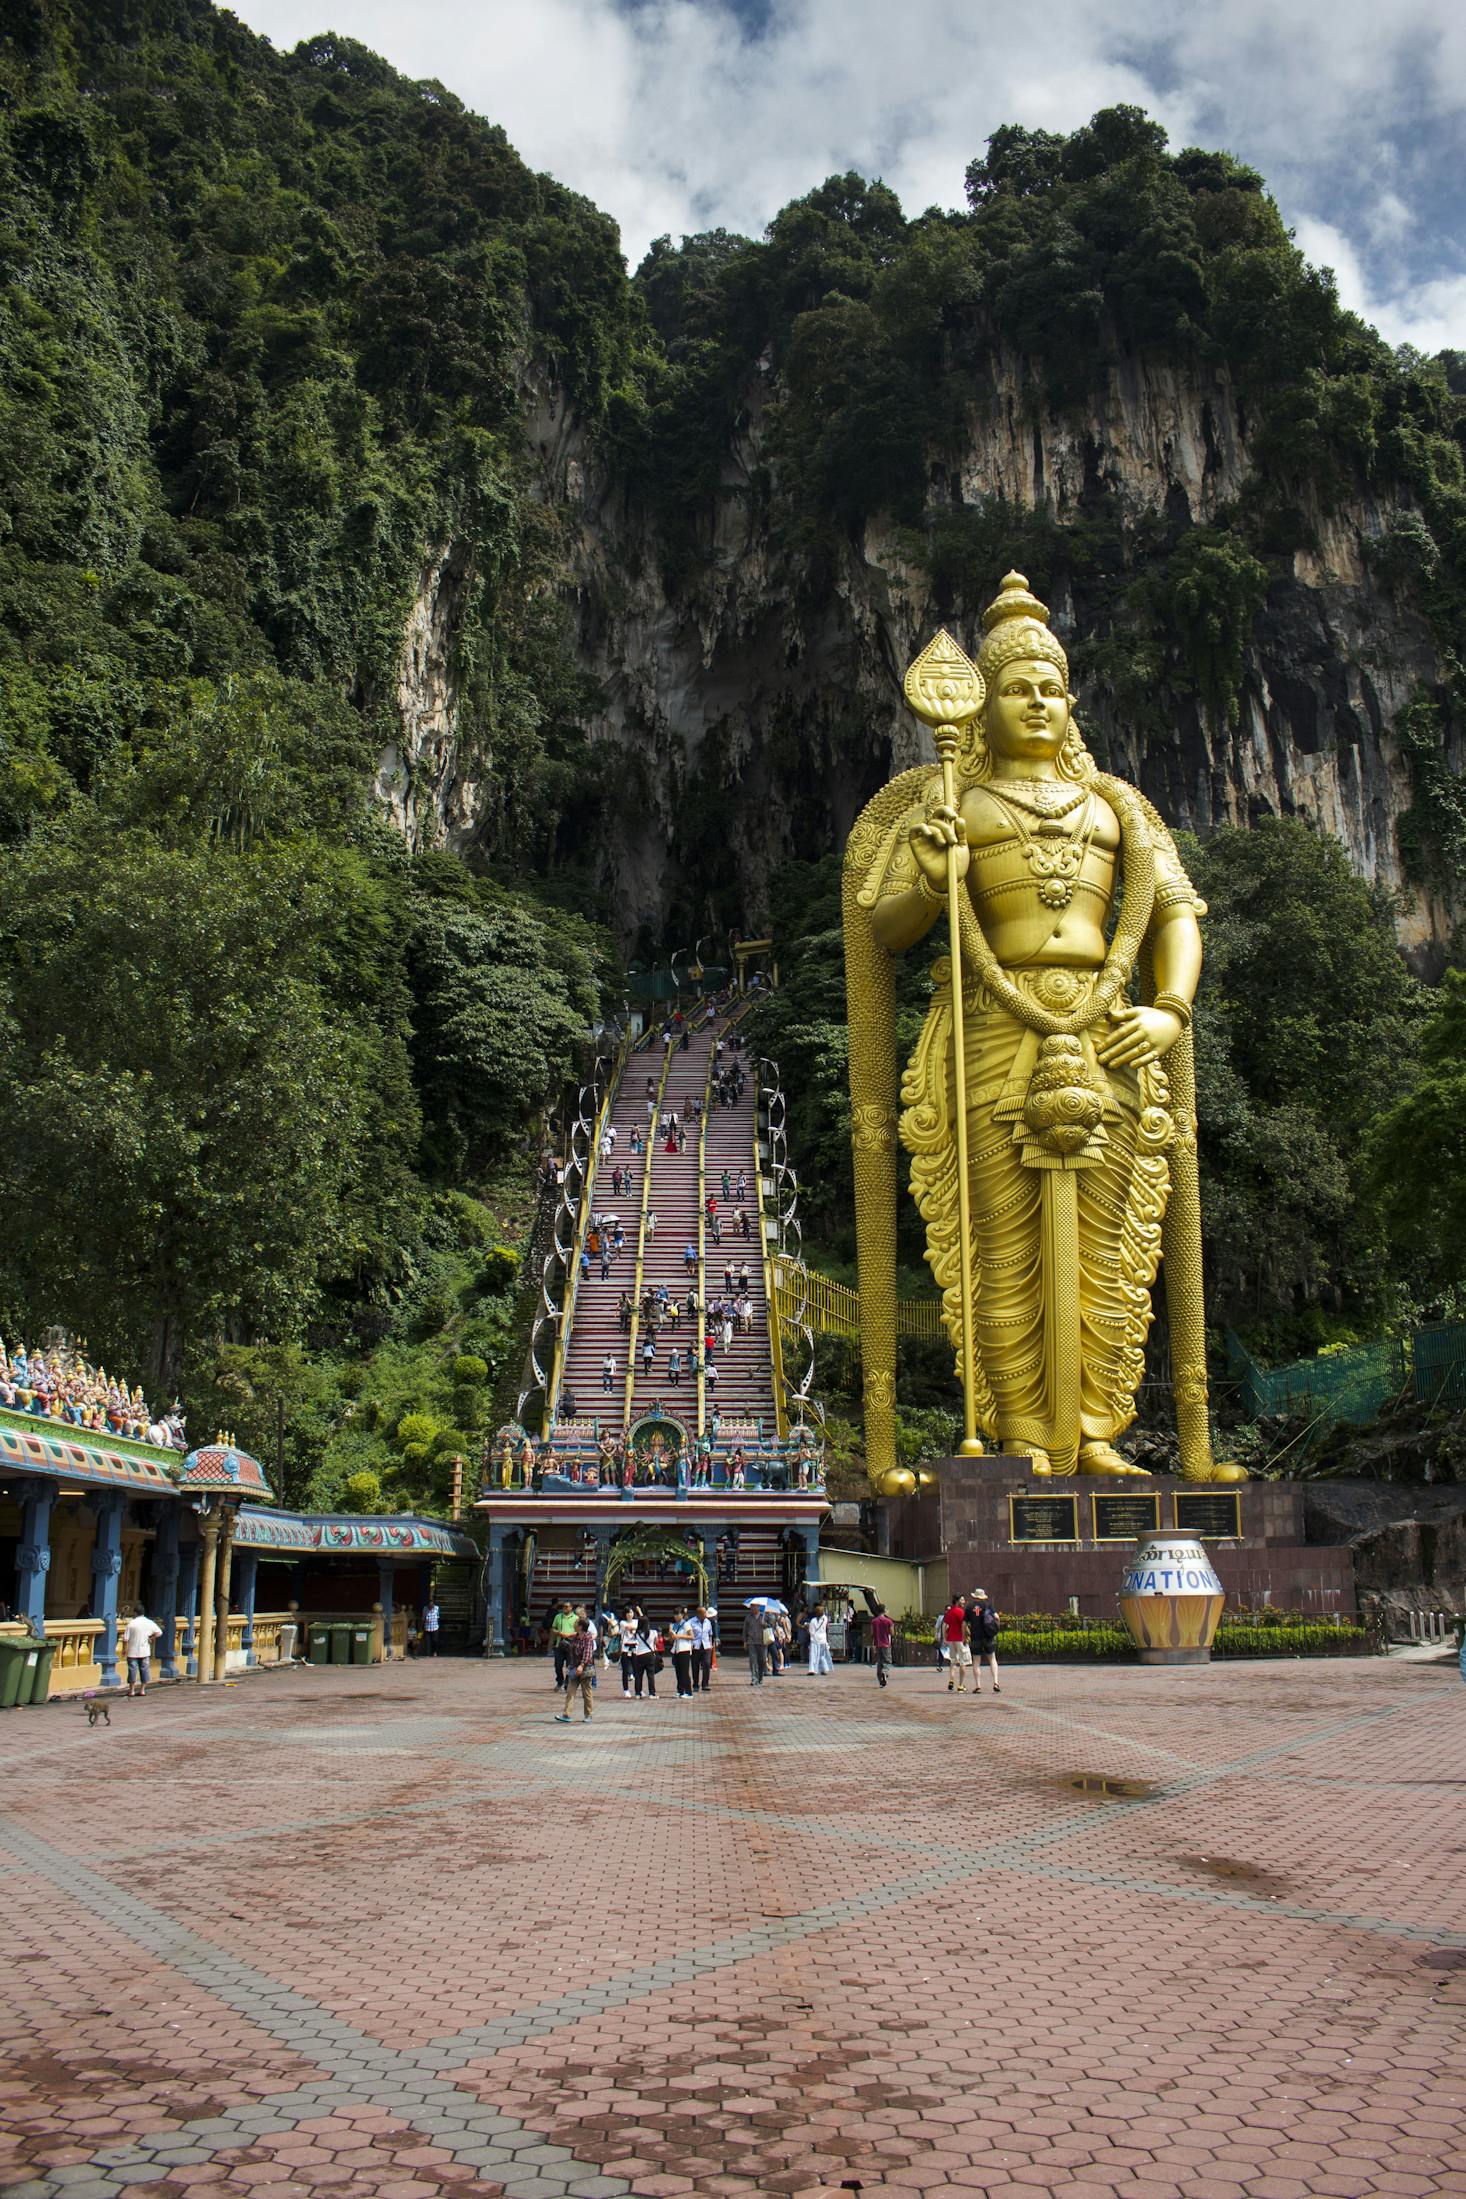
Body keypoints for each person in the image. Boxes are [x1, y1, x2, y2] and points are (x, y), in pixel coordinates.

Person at [555, 1617, 596, 1724]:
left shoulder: (588, 1638)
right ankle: (566, 1714)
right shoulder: (576, 1637)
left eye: (576, 1623)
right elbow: (572, 1654)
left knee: (587, 1693)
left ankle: (588, 1715)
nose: (574, 1624)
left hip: (585, 1669)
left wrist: (582, 1665)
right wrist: (571, 1668)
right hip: (574, 1668)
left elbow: (588, 1653)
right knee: (570, 1691)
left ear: (581, 1626)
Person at [122, 1608, 163, 1698]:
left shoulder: (132, 1623)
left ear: (135, 1613)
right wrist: (151, 1638)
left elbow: (125, 1639)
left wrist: (124, 1649)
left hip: (132, 1651)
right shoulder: (149, 1622)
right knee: (144, 1670)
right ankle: (142, 1690)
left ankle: (132, 1690)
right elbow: (159, 1632)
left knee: (132, 1670)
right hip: (145, 1651)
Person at [969, 1588, 1002, 1693]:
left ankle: (978, 1685)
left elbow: (964, 1623)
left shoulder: (969, 1607)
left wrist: (965, 1634)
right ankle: (996, 1682)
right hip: (988, 1636)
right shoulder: (988, 1605)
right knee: (992, 1659)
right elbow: (997, 1617)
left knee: (976, 1661)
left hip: (975, 1637)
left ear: (975, 1597)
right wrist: (996, 1629)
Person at [942, 1596, 971, 1693]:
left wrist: (945, 1638)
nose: (964, 1601)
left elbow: (944, 1625)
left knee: (953, 1661)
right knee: (963, 1662)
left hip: (951, 1639)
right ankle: (961, 1685)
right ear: (957, 1601)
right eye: (962, 1599)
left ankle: (951, 1680)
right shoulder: (960, 1611)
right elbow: (964, 1625)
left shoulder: (949, 1612)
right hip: (960, 1639)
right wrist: (968, 1635)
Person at [550, 1600, 578, 1687]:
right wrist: (558, 1633)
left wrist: (570, 1634)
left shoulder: (576, 1618)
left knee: (570, 1666)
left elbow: (579, 1631)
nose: (564, 1608)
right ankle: (560, 1680)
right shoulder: (558, 1617)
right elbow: (553, 1628)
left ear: (571, 1608)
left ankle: (567, 1682)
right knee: (558, 1665)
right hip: (560, 1644)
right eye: (563, 1606)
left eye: (566, 1606)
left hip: (571, 1645)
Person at [670, 1609, 696, 1698]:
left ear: (682, 1615)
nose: (676, 1616)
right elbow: (672, 1639)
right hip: (676, 1649)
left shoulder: (686, 1624)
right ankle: (680, 1690)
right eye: (675, 1614)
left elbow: (692, 1636)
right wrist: (671, 1635)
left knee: (684, 1672)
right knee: (678, 1671)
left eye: (678, 1614)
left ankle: (689, 1692)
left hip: (684, 1649)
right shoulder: (674, 1625)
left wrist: (679, 1636)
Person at [744, 1602, 769, 1686]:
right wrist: (745, 1641)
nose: (753, 1609)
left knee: (762, 1661)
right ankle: (754, 1679)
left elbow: (772, 1625)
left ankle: (760, 1678)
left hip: (762, 1642)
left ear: (758, 1607)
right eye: (752, 1607)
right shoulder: (748, 1618)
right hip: (751, 1642)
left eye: (755, 1607)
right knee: (753, 1661)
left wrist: (765, 1624)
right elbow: (745, 1630)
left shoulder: (764, 1616)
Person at [871, 1603, 894, 1688]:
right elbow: (892, 1632)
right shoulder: (888, 1621)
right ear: (884, 1610)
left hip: (877, 1644)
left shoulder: (874, 1621)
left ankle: (880, 1680)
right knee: (886, 1661)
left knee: (879, 1662)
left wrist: (872, 1645)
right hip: (886, 1644)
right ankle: (884, 1673)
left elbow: (872, 1633)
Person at [806, 1603, 833, 1676]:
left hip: (815, 1639)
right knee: (822, 1655)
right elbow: (827, 1627)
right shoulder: (825, 1619)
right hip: (823, 1639)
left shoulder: (813, 1620)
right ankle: (824, 1669)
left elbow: (811, 1631)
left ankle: (812, 1669)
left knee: (813, 1655)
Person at [692, 1606, 714, 1692]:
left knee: (707, 1665)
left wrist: (711, 1644)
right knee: (695, 1666)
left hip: (706, 1646)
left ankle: (705, 1684)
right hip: (695, 1647)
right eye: (704, 1613)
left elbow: (710, 1634)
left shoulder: (708, 1622)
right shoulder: (691, 1622)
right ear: (699, 1614)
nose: (706, 1614)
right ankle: (695, 1684)